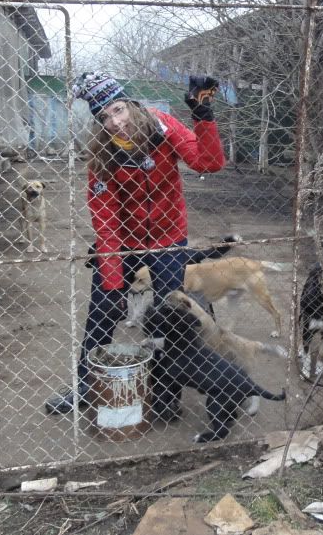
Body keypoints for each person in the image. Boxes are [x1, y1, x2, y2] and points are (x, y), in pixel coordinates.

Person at [45, 72, 226, 415]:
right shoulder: (102, 156)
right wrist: (113, 284)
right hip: (123, 241)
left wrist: (203, 115)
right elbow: (106, 220)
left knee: (173, 315)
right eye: (104, 117)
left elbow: (209, 162)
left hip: (168, 235)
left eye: (117, 110)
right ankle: (87, 384)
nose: (114, 122)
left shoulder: (163, 128)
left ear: (128, 103)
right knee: (102, 310)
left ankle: (166, 394)